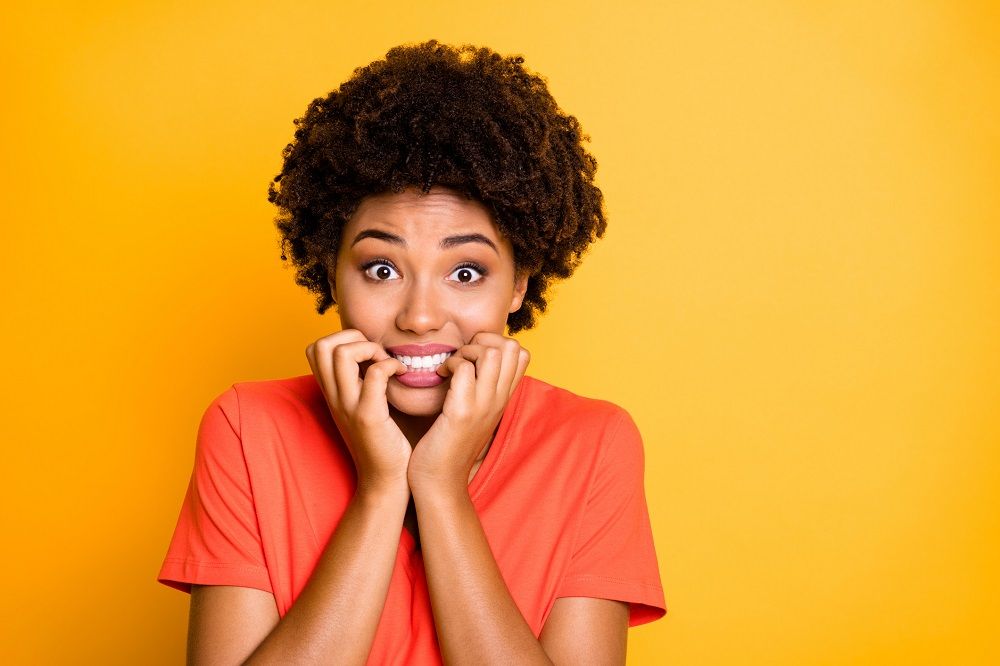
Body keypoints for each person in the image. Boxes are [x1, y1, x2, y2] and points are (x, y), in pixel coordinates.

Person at [158, 40, 667, 664]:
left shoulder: (591, 444)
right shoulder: (247, 429)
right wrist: (380, 489)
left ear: (521, 283)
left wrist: (441, 488)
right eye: (380, 268)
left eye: (466, 272)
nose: (419, 316)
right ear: (329, 270)